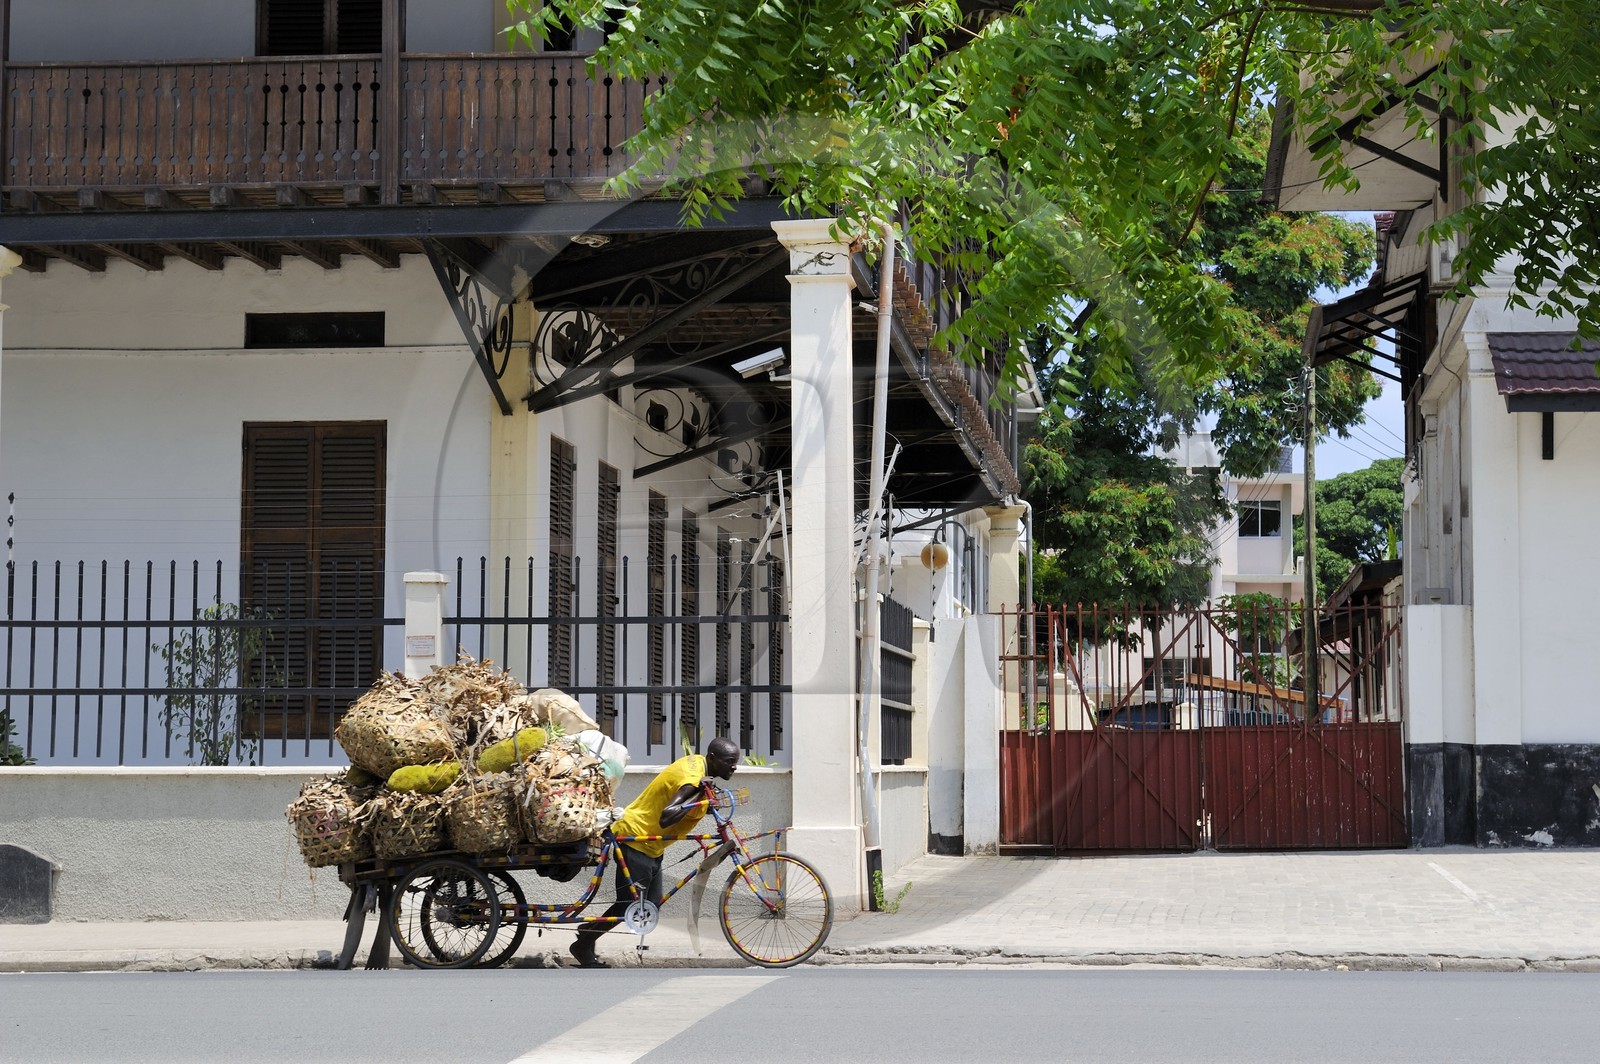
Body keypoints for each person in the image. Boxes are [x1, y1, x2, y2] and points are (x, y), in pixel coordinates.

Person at [568, 736, 739, 968]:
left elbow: (685, 806)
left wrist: (703, 801)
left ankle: (587, 936)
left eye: (735, 761)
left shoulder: (700, 768)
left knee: (652, 904)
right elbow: (667, 815)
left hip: (651, 844)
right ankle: (584, 941)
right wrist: (698, 793)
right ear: (713, 758)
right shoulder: (692, 780)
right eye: (730, 761)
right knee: (631, 903)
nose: (734, 766)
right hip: (636, 836)